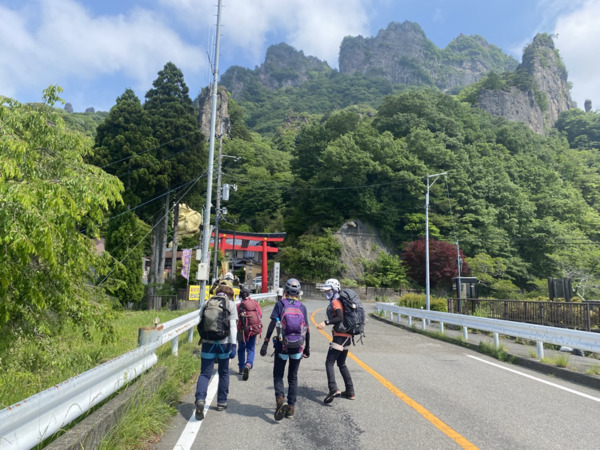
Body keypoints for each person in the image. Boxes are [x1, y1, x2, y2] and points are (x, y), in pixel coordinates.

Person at [259, 278, 310, 420]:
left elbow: (272, 324)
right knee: (293, 377)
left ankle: (280, 399)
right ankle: (291, 407)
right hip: (297, 346)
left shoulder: (280, 304)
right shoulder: (302, 307)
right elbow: (306, 328)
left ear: (285, 291)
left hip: (282, 345)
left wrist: (266, 342)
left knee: (278, 374)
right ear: (298, 292)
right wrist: (307, 348)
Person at [195, 282, 238, 420]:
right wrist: (233, 344)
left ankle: (200, 399)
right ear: (230, 295)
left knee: (205, 373)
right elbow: (233, 327)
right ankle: (221, 402)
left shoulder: (207, 302)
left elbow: (200, 321)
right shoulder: (230, 304)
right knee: (224, 372)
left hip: (207, 342)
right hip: (224, 344)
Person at [316, 278, 355, 403]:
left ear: (335, 290)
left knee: (329, 362)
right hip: (348, 336)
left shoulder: (336, 302)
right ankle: (350, 391)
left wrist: (325, 322)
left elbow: (339, 318)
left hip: (340, 336)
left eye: (329, 291)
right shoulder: (341, 301)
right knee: (341, 363)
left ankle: (333, 388)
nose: (326, 293)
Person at [237, 288, 263, 380]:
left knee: (241, 349)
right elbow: (260, 314)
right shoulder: (255, 303)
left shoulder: (239, 305)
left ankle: (241, 367)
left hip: (242, 330)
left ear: (240, 296)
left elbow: (236, 318)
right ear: (249, 295)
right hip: (253, 329)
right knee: (251, 349)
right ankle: (248, 364)